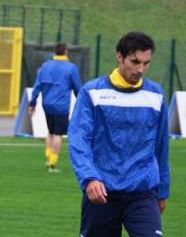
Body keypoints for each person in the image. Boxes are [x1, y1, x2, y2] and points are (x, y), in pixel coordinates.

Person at [69, 31, 169, 237]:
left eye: (146, 63)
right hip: (101, 191)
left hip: (143, 192)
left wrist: (163, 191)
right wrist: (89, 178)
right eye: (135, 62)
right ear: (119, 56)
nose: (140, 69)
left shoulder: (155, 95)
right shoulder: (92, 92)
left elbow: (161, 147)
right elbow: (79, 140)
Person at [29, 43, 81, 172]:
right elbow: (78, 88)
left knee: (50, 132)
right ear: (66, 52)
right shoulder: (71, 68)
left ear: (54, 52)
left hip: (47, 104)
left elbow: (37, 86)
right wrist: (82, 104)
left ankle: (48, 155)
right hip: (61, 106)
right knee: (58, 134)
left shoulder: (45, 66)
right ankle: (52, 163)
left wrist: (32, 104)